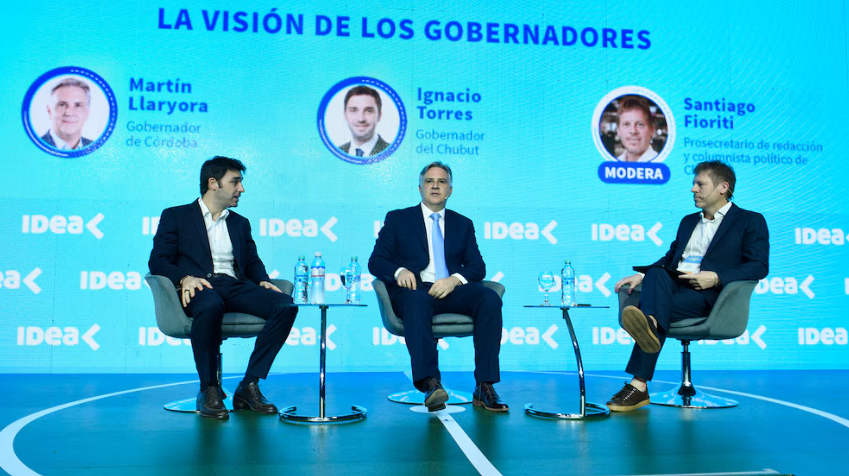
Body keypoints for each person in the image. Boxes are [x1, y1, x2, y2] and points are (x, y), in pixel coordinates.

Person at [607, 160, 769, 411]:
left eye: (700, 184)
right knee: (656, 273)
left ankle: (639, 381)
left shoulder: (749, 220)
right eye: (694, 184)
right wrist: (641, 276)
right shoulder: (688, 221)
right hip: (672, 287)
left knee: (653, 310)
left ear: (723, 187)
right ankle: (651, 324)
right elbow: (670, 258)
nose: (693, 189)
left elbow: (759, 266)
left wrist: (716, 277)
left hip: (708, 295)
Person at [149, 156, 298, 419]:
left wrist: (262, 279)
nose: (242, 189)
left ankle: (249, 385)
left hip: (234, 286)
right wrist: (184, 278)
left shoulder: (240, 222)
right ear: (213, 183)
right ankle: (208, 389)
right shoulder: (176, 216)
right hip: (199, 287)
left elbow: (252, 261)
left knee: (285, 305)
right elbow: (158, 260)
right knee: (210, 304)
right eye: (235, 182)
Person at [368, 161, 507, 412]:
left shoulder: (463, 224)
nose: (435, 186)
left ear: (449, 190)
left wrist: (455, 280)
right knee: (417, 301)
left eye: (442, 182)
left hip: (450, 289)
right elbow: (376, 261)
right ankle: (431, 384)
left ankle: (484, 385)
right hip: (414, 290)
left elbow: (477, 266)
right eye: (429, 181)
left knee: (490, 299)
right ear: (420, 188)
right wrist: (399, 271)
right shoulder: (398, 219)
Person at [40, 78, 94, 150]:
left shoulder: (96, 148)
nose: (69, 113)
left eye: (78, 105)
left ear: (87, 113)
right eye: (62, 104)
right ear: (49, 111)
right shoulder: (32, 148)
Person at [338, 85, 390, 157]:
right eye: (353, 110)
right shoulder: (336, 153)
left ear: (379, 116)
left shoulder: (393, 152)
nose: (361, 119)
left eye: (369, 111)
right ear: (345, 115)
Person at [614, 96, 659, 162]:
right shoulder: (614, 163)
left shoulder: (661, 163)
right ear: (618, 130)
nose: (633, 131)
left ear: (652, 130)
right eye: (626, 124)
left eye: (640, 124)